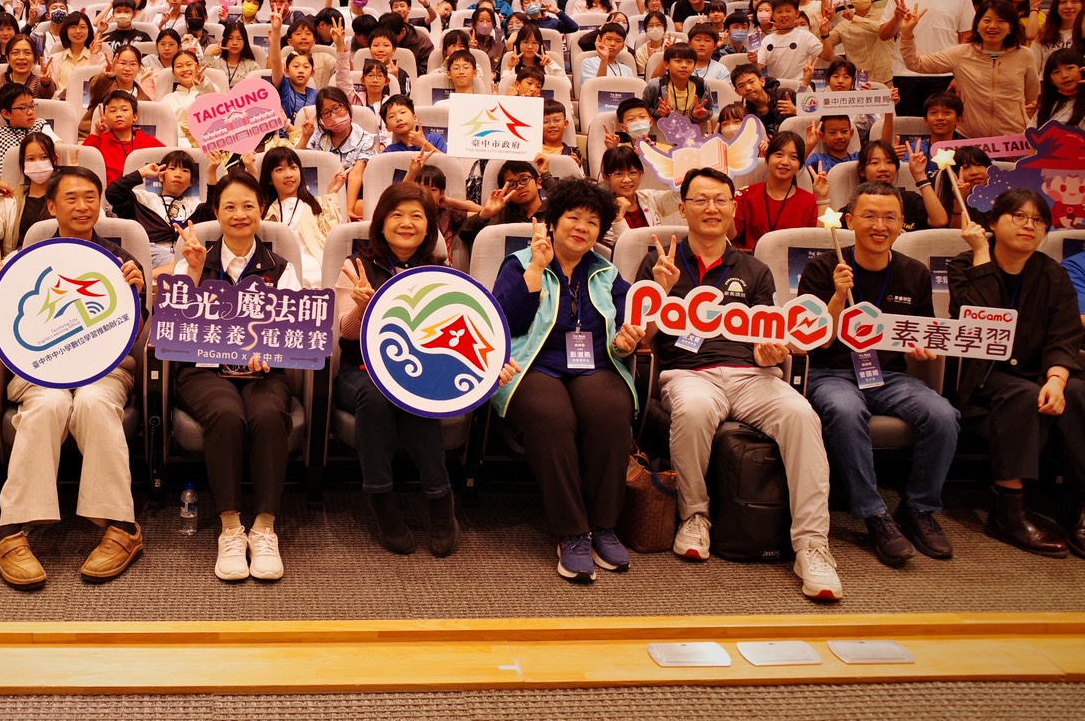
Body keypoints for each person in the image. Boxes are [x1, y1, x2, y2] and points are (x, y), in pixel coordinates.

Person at [637, 168, 841, 600]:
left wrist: (771, 353)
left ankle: (812, 545)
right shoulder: (661, 259)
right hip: (690, 374)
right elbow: (641, 339)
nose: (711, 208)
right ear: (683, 206)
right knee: (692, 411)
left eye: (720, 200)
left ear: (733, 208)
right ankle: (695, 516)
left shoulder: (754, 268)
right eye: (700, 199)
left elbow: (768, 338)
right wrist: (661, 289)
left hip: (753, 377)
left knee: (802, 415)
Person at [0, 165, 147, 586]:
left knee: (94, 402)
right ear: (52, 205)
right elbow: (7, 329)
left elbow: (138, 335)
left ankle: (122, 527)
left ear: (101, 203)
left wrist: (139, 292)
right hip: (42, 370)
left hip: (105, 369)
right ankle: (11, 531)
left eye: (90, 198)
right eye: (71, 198)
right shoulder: (25, 262)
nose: (82, 206)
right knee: (49, 403)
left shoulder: (122, 261)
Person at [484, 179, 638, 580]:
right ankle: (572, 532)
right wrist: (536, 268)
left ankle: (603, 525)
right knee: (552, 418)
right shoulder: (520, 262)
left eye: (592, 221)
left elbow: (623, 335)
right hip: (532, 366)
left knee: (611, 413)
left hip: (594, 366)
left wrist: (626, 342)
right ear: (552, 221)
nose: (581, 227)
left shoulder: (606, 273)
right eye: (573, 217)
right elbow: (505, 323)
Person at [799, 182, 959, 565]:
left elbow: (923, 332)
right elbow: (814, 342)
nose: (879, 225)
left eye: (890, 217)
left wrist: (924, 347)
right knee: (845, 411)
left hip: (889, 376)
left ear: (903, 224)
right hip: (830, 372)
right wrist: (838, 297)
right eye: (869, 215)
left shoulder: (914, 273)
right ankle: (874, 514)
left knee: (943, 415)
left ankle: (918, 508)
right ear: (850, 220)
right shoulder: (822, 267)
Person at [169, 172, 298, 580]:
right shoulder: (193, 259)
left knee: (266, 415)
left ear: (262, 210)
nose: (240, 214)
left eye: (248, 206)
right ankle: (229, 528)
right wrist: (191, 274)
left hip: (264, 372)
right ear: (216, 213)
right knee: (226, 413)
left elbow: (296, 330)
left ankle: (264, 527)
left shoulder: (281, 268)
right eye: (229, 206)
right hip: (204, 371)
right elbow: (174, 324)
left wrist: (271, 348)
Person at [949, 189, 1085, 557]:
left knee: (1076, 392)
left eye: (1038, 220)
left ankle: (1077, 506)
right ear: (992, 223)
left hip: (1038, 372)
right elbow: (975, 322)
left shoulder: (1053, 274)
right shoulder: (963, 265)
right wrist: (981, 255)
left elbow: (1065, 335)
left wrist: (1057, 378)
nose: (1029, 226)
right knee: (1022, 395)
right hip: (983, 376)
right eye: (1019, 217)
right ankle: (1007, 511)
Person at [332, 181, 460, 555]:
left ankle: (440, 500)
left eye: (417, 216)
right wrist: (361, 308)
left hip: (418, 372)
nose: (407, 223)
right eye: (397, 214)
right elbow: (345, 331)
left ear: (428, 226)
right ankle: (382, 501)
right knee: (376, 395)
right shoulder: (357, 266)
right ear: (382, 222)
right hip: (360, 371)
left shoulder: (441, 271)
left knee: (415, 395)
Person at [899, 0, 1038, 138]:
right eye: (987, 20)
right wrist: (906, 33)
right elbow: (916, 63)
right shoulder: (962, 53)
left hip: (1013, 139)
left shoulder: (1025, 55)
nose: (993, 26)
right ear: (977, 25)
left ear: (1011, 27)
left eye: (1001, 21)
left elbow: (1032, 97)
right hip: (970, 137)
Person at [881, 0, 974, 115]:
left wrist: (960, 77)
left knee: (942, 130)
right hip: (905, 74)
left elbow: (966, 41)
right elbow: (884, 35)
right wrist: (896, 19)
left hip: (945, 76)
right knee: (908, 129)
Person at [258, 145, 342, 289]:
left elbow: (333, 237)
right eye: (280, 169)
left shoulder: (316, 203)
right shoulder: (266, 212)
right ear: (269, 179)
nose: (289, 174)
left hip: (317, 270)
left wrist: (332, 193)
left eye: (293, 167)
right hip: (281, 274)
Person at [732, 131, 821, 250]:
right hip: (751, 264)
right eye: (779, 154)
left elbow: (818, 243)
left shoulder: (809, 201)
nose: (785, 162)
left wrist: (823, 197)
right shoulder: (745, 195)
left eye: (793, 157)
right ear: (767, 158)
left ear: (800, 164)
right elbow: (731, 235)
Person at [599, 145, 681, 247]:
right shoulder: (603, 212)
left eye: (632, 172)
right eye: (618, 174)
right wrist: (619, 218)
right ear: (606, 178)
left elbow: (680, 195)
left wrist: (652, 163)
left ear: (640, 174)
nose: (627, 179)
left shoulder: (650, 197)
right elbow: (625, 249)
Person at [83, 91, 163, 183]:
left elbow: (169, 159)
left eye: (124, 110)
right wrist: (97, 133)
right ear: (106, 117)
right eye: (113, 111)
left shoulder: (148, 141)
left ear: (135, 117)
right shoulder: (100, 140)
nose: (118, 115)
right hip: (109, 195)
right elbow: (83, 161)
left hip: (143, 195)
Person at [1038, 47, 1084, 127]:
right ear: (1050, 80)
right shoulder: (1047, 107)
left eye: (1070, 68)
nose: (1064, 75)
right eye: (1056, 72)